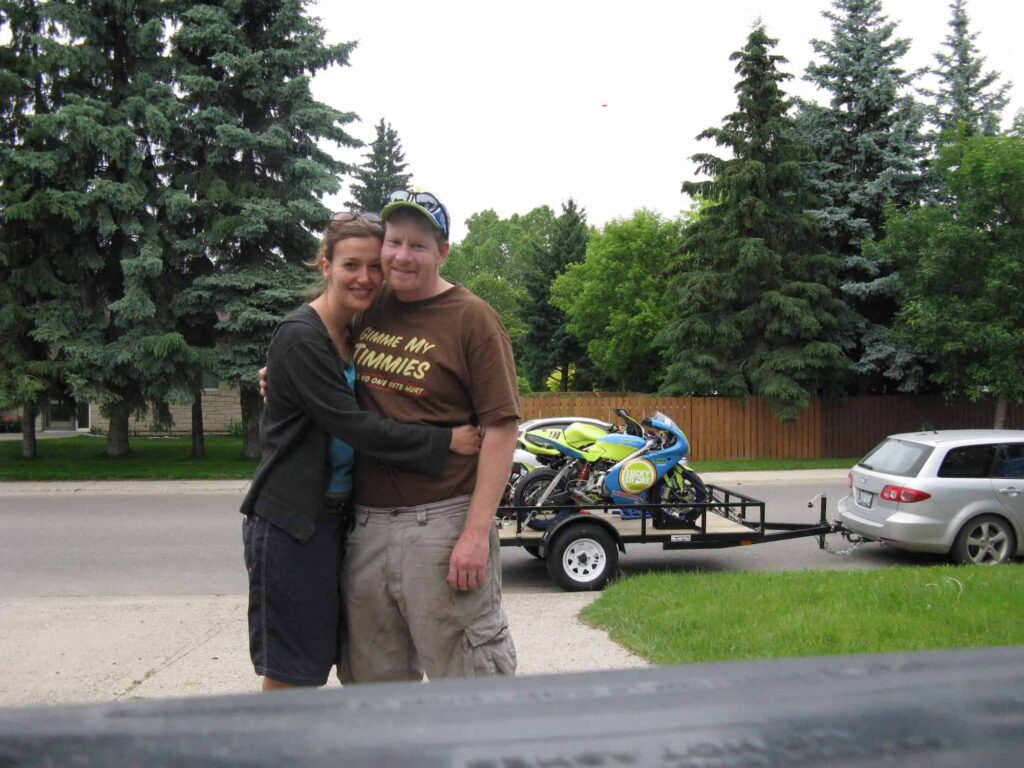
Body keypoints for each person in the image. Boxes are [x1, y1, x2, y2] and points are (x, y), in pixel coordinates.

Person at [240, 211, 481, 691]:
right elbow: (354, 426)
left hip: (336, 522)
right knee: (293, 673)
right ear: (325, 265)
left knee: (318, 659)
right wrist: (445, 441)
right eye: (351, 265)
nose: (366, 277)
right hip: (291, 525)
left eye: (375, 266)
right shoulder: (301, 335)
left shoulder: (353, 333)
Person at [339, 190, 520, 683]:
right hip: (367, 524)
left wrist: (474, 534)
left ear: (442, 252)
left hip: (443, 524)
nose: (401, 255)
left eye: (418, 245)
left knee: (469, 681)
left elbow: (502, 430)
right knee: (373, 688)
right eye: (393, 241)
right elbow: (321, 349)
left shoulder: (472, 317)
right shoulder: (365, 307)